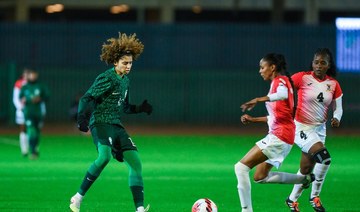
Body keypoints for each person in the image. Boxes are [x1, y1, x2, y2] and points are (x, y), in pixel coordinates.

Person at [69, 32, 152, 212]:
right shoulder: (107, 77)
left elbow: (125, 107)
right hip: (100, 123)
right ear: (115, 62)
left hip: (116, 124)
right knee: (104, 156)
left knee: (136, 164)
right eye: (125, 63)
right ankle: (77, 198)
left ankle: (139, 209)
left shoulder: (125, 81)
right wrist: (81, 118)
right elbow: (87, 97)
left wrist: (140, 108)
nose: (128, 66)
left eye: (130, 63)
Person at [234, 53, 315, 212]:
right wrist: (253, 119)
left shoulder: (281, 81)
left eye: (262, 67)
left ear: (272, 67)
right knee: (260, 177)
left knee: (240, 168)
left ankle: (246, 210)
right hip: (283, 136)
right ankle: (303, 179)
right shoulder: (278, 84)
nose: (260, 71)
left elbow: (282, 94)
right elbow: (277, 116)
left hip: (279, 136)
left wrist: (258, 99)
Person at [285, 48, 343, 212]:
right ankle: (314, 196)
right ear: (312, 63)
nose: (318, 65)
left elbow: (338, 108)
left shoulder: (333, 84)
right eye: (316, 62)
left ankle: (291, 200)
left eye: (322, 63)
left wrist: (337, 118)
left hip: (319, 129)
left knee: (305, 169)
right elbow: (284, 88)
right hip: (302, 127)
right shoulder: (302, 78)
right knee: (324, 158)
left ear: (328, 65)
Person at [19, 68, 49, 160]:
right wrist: (25, 100)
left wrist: (40, 99)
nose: (32, 76)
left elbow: (47, 96)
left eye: (34, 74)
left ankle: (35, 149)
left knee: (36, 132)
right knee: (31, 131)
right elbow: (20, 97)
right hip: (28, 113)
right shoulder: (25, 87)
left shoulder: (40, 86)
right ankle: (32, 151)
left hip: (38, 113)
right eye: (31, 74)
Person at [13, 69, 29, 157]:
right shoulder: (18, 84)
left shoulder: (33, 84)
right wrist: (20, 107)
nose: (27, 75)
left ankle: (33, 148)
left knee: (31, 128)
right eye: (25, 73)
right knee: (23, 129)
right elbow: (15, 98)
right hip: (22, 110)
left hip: (32, 110)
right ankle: (24, 150)